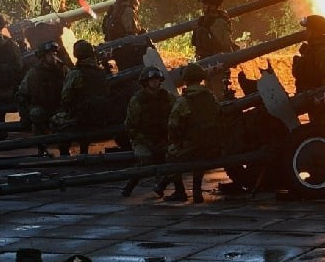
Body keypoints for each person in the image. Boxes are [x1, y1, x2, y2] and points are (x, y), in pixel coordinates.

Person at [156, 63, 220, 204]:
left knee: (171, 156)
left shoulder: (183, 102)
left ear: (186, 80)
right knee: (200, 156)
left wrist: (177, 142)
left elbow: (173, 127)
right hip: (212, 144)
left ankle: (180, 192)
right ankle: (197, 191)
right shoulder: (211, 97)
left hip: (192, 145)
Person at [120, 66, 172, 198]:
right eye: (152, 80)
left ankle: (169, 187)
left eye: (157, 80)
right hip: (143, 139)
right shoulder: (137, 101)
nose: (155, 82)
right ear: (145, 82)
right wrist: (147, 143)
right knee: (145, 160)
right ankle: (130, 186)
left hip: (163, 138)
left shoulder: (166, 97)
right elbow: (130, 126)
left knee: (175, 159)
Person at [50, 41, 110, 153]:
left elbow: (65, 98)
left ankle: (64, 153)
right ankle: (84, 149)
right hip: (101, 116)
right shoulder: (100, 72)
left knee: (56, 120)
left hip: (81, 117)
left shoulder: (75, 74)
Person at [16, 41, 68, 156]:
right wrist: (25, 115)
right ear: (43, 57)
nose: (54, 56)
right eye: (50, 54)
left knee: (64, 122)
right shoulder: (33, 73)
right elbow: (22, 94)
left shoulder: (63, 70)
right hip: (42, 107)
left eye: (55, 53)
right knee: (36, 115)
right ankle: (41, 147)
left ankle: (64, 149)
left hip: (59, 108)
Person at [292, 15, 325, 127]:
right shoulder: (313, 49)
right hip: (313, 97)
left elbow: (317, 74)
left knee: (323, 128)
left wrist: (301, 61)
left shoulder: (322, 50)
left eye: (308, 30)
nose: (306, 33)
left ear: (315, 31)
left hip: (320, 99)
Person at [190, 0, 234, 97]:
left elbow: (224, 44)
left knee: (219, 95)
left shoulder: (218, 22)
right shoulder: (204, 21)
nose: (203, 7)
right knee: (210, 94)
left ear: (213, 6)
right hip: (206, 62)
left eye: (205, 4)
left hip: (217, 63)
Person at [102, 0, 146, 72]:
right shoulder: (115, 9)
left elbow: (132, 31)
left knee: (129, 72)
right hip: (117, 48)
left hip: (126, 49)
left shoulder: (127, 10)